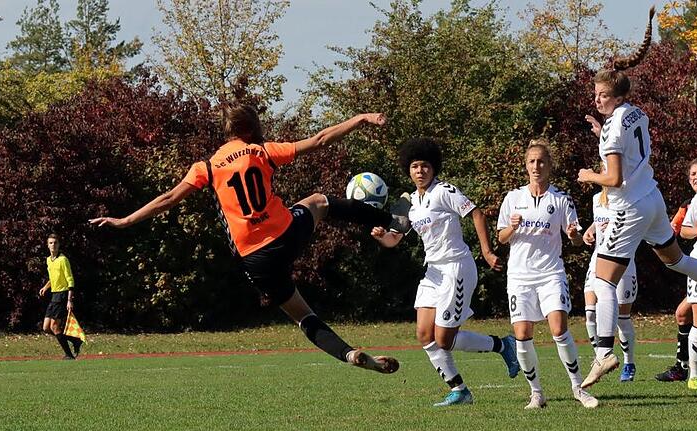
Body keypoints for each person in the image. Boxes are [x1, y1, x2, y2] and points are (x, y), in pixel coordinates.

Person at [90, 104, 410, 373]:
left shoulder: (208, 167)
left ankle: (349, 354)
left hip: (254, 260)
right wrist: (360, 119)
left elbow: (168, 198)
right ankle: (391, 218)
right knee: (318, 202)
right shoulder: (261, 152)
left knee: (304, 316)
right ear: (251, 128)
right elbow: (320, 139)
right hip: (284, 234)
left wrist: (125, 220)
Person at [578, 7, 697, 387]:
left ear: (616, 94)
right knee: (676, 260)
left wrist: (590, 174)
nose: (597, 99)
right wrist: (602, 132)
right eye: (596, 94)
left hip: (629, 206)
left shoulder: (613, 128)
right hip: (652, 199)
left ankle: (603, 353)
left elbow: (615, 178)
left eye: (603, 95)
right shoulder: (636, 114)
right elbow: (627, 150)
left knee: (603, 282)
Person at [370, 137, 519, 406]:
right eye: (415, 166)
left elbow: (476, 214)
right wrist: (381, 236)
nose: (420, 171)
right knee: (424, 335)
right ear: (409, 170)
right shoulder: (409, 202)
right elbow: (394, 239)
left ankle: (503, 345)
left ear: (433, 167)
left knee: (444, 339)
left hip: (456, 268)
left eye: (425, 165)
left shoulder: (444, 191)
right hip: (433, 273)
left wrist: (486, 252)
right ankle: (460, 390)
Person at [497, 140, 598, 409]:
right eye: (532, 161)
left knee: (558, 328)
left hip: (551, 273)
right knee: (522, 333)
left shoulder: (561, 199)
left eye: (541, 161)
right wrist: (512, 227)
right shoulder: (513, 198)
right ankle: (536, 393)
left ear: (549, 165)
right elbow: (502, 238)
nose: (536, 166)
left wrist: (576, 235)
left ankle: (579, 388)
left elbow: (575, 239)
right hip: (519, 276)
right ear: (526, 165)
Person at [656, 157, 697, 383]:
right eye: (693, 174)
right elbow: (683, 230)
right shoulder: (696, 200)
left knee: (683, 313)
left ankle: (683, 367)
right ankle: (691, 374)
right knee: (695, 315)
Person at [581, 186, 639, 382]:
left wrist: (615, 226)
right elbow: (598, 223)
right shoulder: (597, 198)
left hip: (622, 261)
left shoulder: (629, 197)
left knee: (622, 318)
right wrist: (589, 231)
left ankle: (629, 363)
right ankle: (601, 356)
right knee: (590, 312)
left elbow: (637, 225)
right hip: (598, 260)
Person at [39, 233, 82, 360]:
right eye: (51, 243)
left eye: (55, 243)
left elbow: (70, 280)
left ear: (59, 245)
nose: (53, 245)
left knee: (54, 326)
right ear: (47, 245)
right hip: (54, 295)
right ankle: (75, 340)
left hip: (62, 295)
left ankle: (68, 355)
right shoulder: (48, 260)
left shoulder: (63, 260)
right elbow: (53, 279)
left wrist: (69, 300)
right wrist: (45, 287)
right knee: (46, 327)